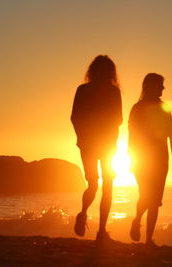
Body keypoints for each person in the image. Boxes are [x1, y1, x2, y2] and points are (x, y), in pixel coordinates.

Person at [128, 73, 172, 247]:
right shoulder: (137, 108)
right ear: (152, 86)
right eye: (161, 84)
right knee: (147, 196)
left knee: (155, 200)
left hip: (161, 159)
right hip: (141, 158)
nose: (163, 88)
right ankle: (137, 219)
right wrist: (130, 157)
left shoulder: (164, 107)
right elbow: (131, 134)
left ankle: (148, 240)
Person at [71, 55, 122, 241]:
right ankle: (98, 228)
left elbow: (75, 117)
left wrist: (81, 137)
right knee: (103, 185)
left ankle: (92, 222)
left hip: (94, 145)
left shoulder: (84, 90)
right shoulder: (112, 92)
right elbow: (118, 120)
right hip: (103, 144)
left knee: (96, 185)